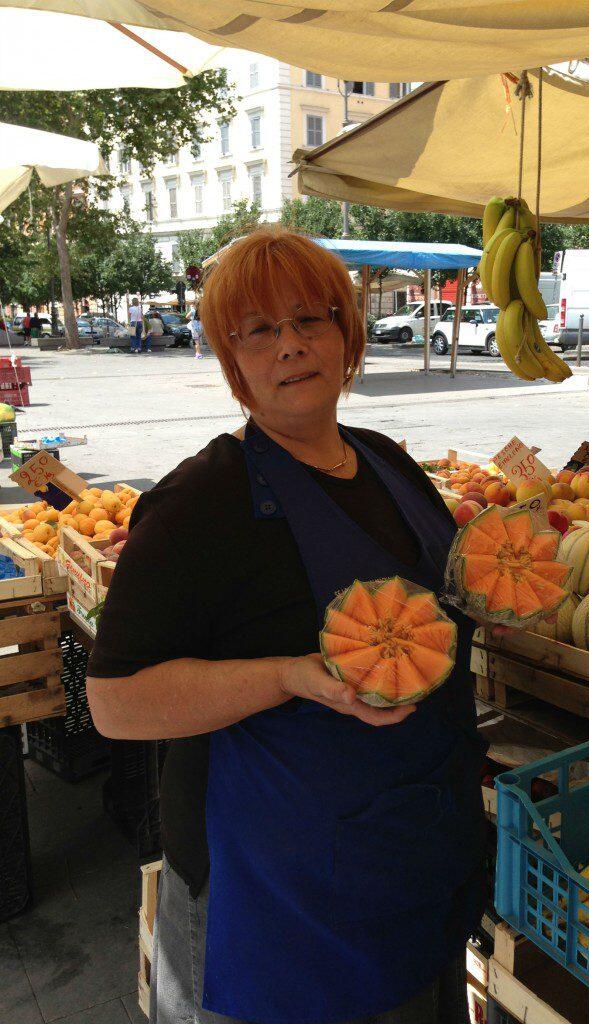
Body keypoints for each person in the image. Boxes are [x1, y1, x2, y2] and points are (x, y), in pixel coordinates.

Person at [85, 227, 489, 1024]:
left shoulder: (388, 463)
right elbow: (115, 704)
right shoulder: (199, 502)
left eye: (310, 318)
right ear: (231, 360)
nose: (291, 345)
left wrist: (493, 603)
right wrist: (289, 676)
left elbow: (440, 608)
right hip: (281, 907)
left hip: (414, 862)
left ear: (346, 333)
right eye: (258, 330)